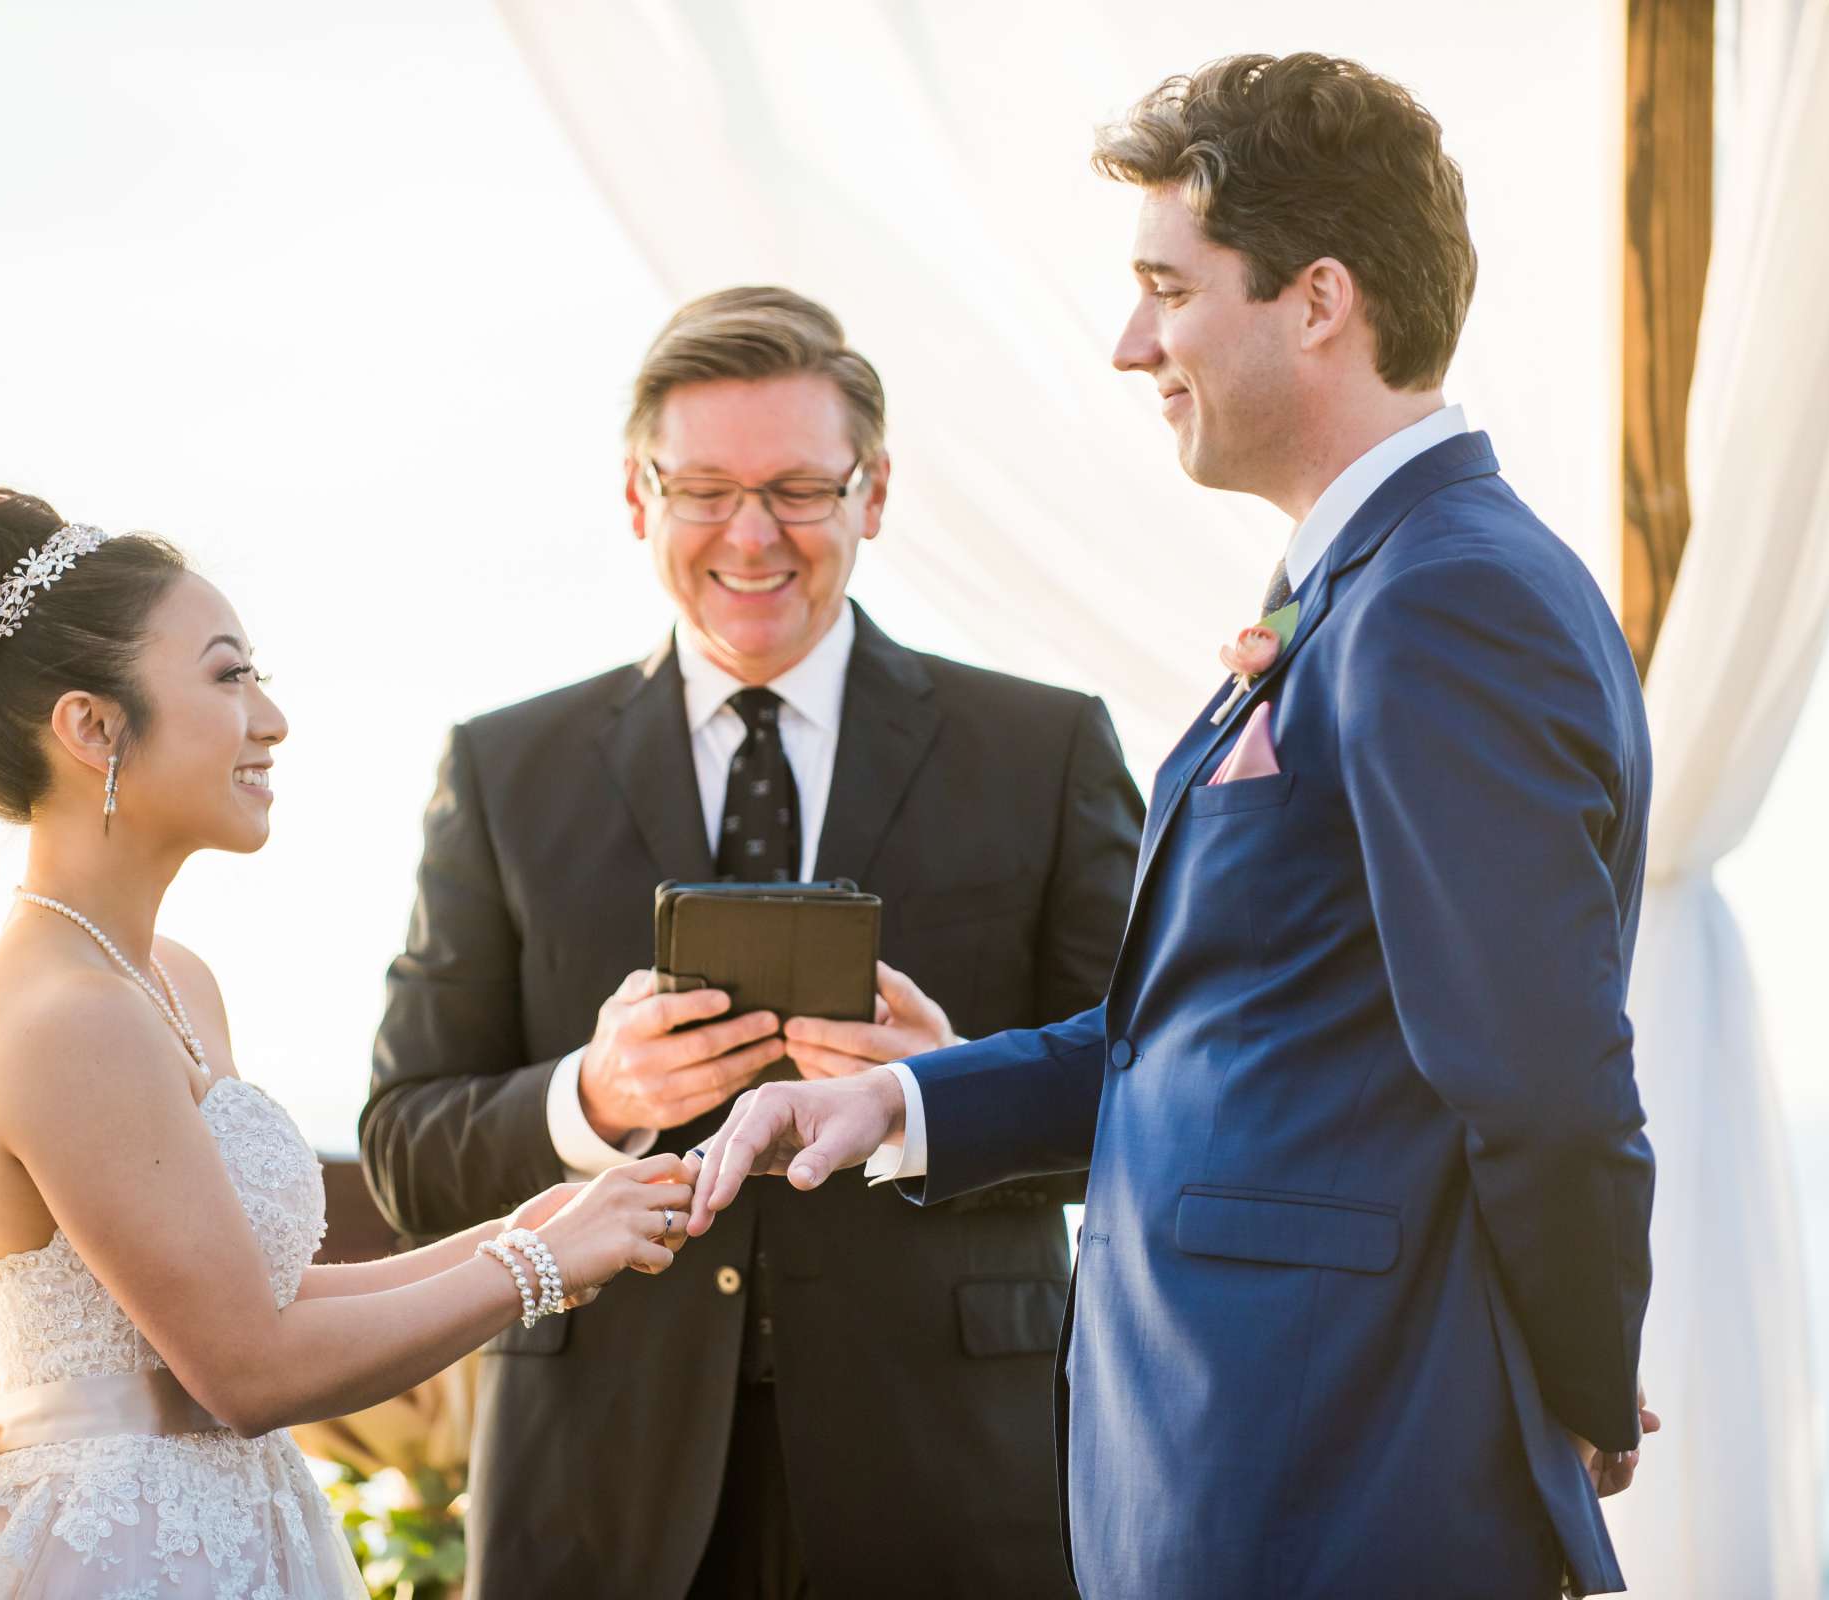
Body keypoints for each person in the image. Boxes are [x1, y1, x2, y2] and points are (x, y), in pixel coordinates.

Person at [688, 55, 1661, 1599]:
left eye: (1168, 287)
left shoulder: (1448, 600)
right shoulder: (1364, 590)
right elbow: (1217, 1037)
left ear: (1319, 298)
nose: (1132, 341)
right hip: (1237, 1470)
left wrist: (1582, 1388)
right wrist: (905, 1106)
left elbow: (1545, 1083)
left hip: (1337, 1482)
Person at [0, 488, 693, 1599]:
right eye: (230, 675)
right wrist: (533, 1268)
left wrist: (522, 1226)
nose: (272, 719)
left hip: (231, 1531)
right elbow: (247, 1369)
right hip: (121, 1559)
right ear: (93, 725)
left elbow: (259, 1302)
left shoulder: (166, 978)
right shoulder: (64, 1015)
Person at [359, 287, 1144, 1598]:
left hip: (949, 1474)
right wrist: (589, 1100)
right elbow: (403, 1148)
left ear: (872, 493)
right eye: (707, 489)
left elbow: (1159, 1093)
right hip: (599, 1482)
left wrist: (946, 1090)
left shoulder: (1044, 749)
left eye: (796, 489)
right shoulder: (506, 770)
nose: (751, 535)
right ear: (637, 497)